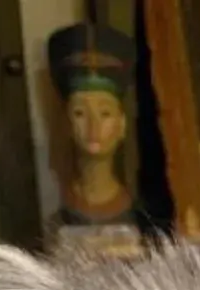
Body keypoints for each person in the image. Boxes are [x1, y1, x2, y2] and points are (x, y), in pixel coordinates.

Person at [47, 22, 140, 230]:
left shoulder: (139, 216)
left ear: (122, 124)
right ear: (67, 124)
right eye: (80, 113)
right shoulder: (59, 220)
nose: (93, 126)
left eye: (105, 113)